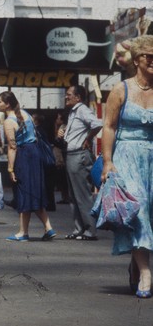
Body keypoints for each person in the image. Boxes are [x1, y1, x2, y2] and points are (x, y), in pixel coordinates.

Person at [100, 35, 153, 298]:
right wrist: (107, 162)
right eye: (149, 56)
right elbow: (108, 127)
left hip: (152, 157)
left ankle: (136, 264)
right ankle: (146, 272)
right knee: (139, 208)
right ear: (137, 59)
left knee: (150, 213)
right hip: (126, 156)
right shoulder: (121, 90)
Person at [0, 92, 56, 242]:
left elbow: (12, 147)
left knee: (23, 190)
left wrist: (10, 168)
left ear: (7, 104)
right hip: (35, 154)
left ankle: (23, 232)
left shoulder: (8, 122)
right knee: (34, 190)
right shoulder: (26, 114)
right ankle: (48, 228)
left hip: (23, 156)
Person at [58, 85, 102, 241]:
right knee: (73, 195)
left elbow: (97, 124)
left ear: (78, 97)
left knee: (82, 194)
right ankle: (79, 229)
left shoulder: (82, 109)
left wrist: (88, 139)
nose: (66, 97)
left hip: (78, 156)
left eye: (69, 94)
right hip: (71, 155)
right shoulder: (73, 112)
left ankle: (90, 230)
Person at [52, 111, 72, 205]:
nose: (56, 120)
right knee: (62, 178)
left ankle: (66, 197)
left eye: (58, 118)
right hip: (60, 155)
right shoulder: (60, 127)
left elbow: (58, 141)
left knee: (63, 178)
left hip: (62, 156)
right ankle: (65, 197)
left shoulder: (63, 127)